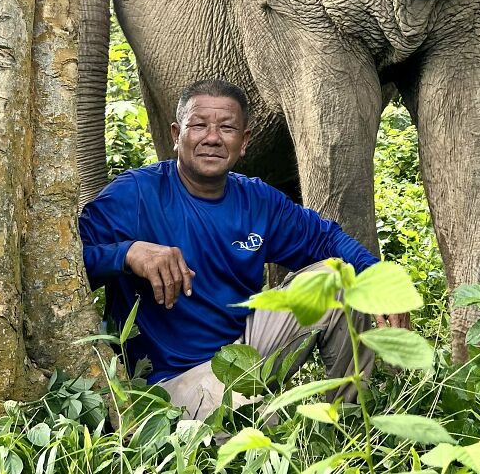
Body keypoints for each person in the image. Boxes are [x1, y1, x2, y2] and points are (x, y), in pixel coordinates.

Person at [79, 79, 406, 420]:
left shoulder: (256, 199)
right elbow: (69, 266)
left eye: (227, 128)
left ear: (244, 141)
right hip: (171, 375)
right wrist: (127, 254)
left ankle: (349, 420)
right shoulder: (134, 194)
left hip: (243, 348)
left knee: (341, 279)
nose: (212, 138)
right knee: (257, 425)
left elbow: (326, 240)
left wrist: (378, 279)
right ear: (177, 135)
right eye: (199, 125)